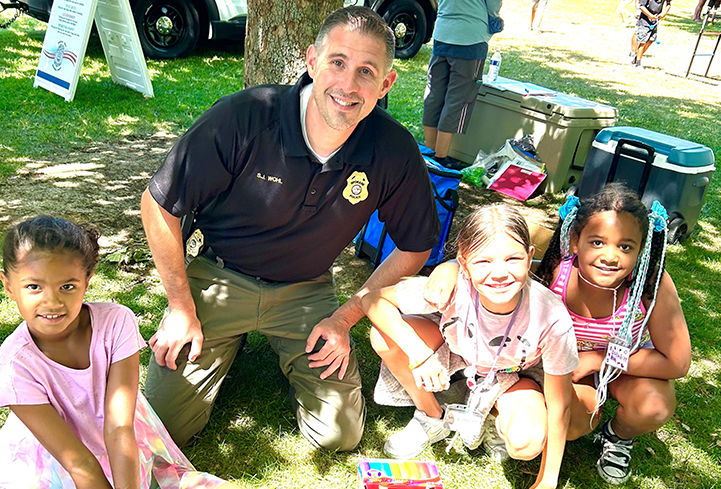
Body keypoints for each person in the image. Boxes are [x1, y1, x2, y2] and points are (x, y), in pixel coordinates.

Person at [140, 6, 440, 451]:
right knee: (163, 429)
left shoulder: (392, 149)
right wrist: (181, 307)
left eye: (366, 71)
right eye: (337, 62)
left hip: (305, 289)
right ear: (312, 60)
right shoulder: (247, 116)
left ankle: (252, 341)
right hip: (218, 274)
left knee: (339, 436)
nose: (348, 84)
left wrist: (344, 318)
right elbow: (158, 204)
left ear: (386, 84)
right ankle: (225, 334)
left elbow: (415, 246)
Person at [0, 216, 237, 489]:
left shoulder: (116, 323)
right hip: (55, 454)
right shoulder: (13, 366)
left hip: (122, 438)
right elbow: (79, 463)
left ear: (87, 281)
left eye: (67, 286)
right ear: (8, 286)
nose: (52, 301)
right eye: (34, 287)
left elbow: (119, 428)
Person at [362, 204, 578, 489]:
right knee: (383, 335)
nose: (499, 273)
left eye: (512, 258)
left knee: (526, 444)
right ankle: (431, 416)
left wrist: (548, 480)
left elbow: (560, 403)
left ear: (529, 258)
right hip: (456, 357)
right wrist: (419, 354)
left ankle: (493, 414)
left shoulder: (550, 315)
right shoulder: (453, 287)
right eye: (483, 262)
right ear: (463, 265)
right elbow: (372, 301)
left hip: (511, 373)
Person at [534, 184, 690, 485]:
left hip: (620, 365)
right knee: (572, 425)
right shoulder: (556, 271)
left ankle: (618, 435)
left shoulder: (649, 283)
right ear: (575, 241)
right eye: (597, 242)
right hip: (564, 369)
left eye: (625, 246)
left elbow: (677, 363)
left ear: (642, 249)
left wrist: (596, 359)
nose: (610, 256)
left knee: (654, 405)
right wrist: (448, 272)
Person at [422, 0, 502, 167]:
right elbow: (493, 4)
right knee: (458, 99)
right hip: (470, 37)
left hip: (442, 33)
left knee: (434, 95)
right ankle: (441, 158)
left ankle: (428, 154)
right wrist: (494, 20)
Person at [630, 0, 671, 68]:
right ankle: (638, 63)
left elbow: (668, 4)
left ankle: (636, 58)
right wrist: (650, 16)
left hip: (655, 20)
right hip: (645, 20)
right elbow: (642, 6)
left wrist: (664, 13)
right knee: (642, 41)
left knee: (651, 39)